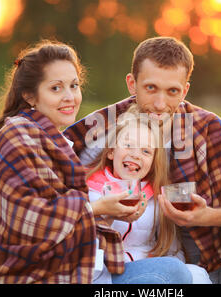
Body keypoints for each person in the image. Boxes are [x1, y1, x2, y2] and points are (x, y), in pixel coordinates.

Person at [64, 36, 221, 284]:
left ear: (185, 90)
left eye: (172, 91)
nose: (159, 104)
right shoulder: (105, 130)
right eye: (150, 88)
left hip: (219, 265)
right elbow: (51, 190)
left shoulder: (209, 129)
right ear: (132, 84)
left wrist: (208, 216)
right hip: (161, 272)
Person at [0, 40, 191, 284]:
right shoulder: (17, 135)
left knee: (176, 272)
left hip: (67, 271)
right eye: (56, 88)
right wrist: (97, 209)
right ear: (30, 95)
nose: (69, 97)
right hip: (25, 276)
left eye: (74, 86)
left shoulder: (58, 142)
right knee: (172, 275)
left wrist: (105, 217)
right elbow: (30, 220)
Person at [86, 104, 211, 283]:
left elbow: (172, 251)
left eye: (146, 151)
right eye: (128, 145)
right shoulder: (90, 190)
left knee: (196, 274)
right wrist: (107, 218)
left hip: (148, 272)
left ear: (153, 162)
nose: (136, 155)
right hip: (102, 274)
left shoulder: (157, 195)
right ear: (112, 151)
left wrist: (161, 266)